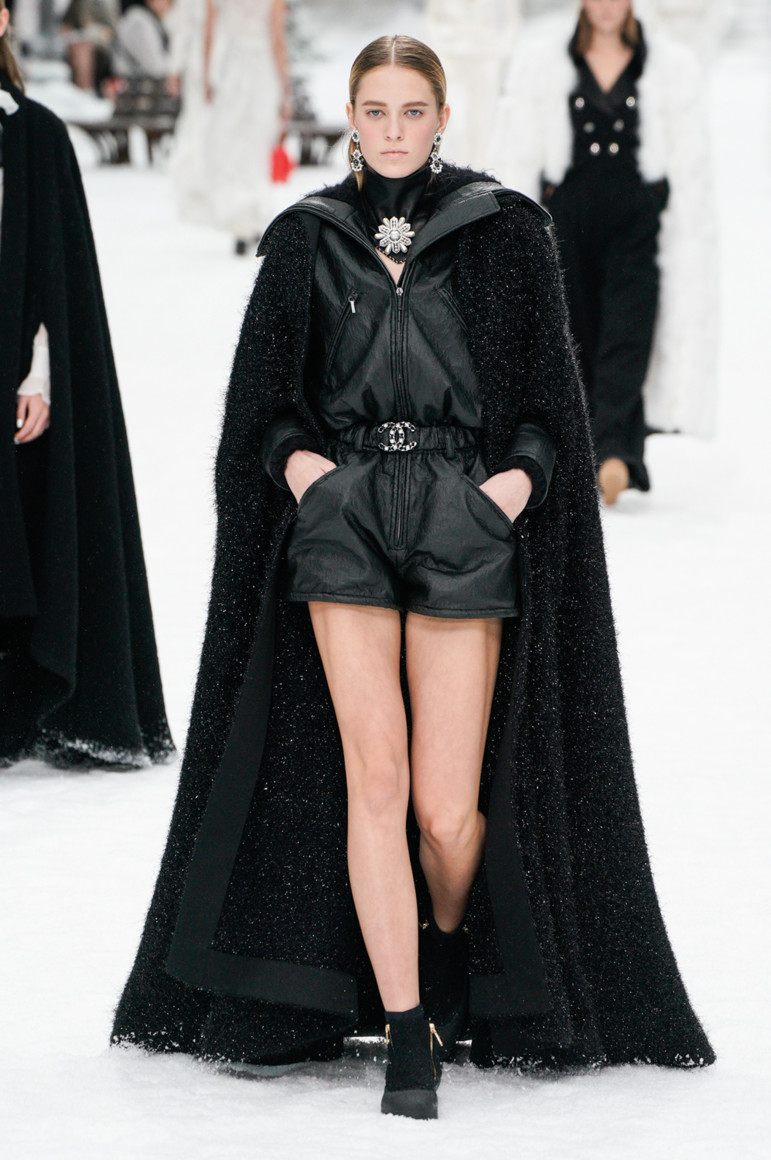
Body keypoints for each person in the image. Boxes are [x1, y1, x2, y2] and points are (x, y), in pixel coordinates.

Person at [111, 35, 714, 1119]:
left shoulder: (503, 230)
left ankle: (443, 959)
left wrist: (512, 489)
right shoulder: (306, 238)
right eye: (375, 110)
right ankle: (404, 1033)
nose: (393, 130)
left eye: (412, 110)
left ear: (441, 118)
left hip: (460, 520)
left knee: (444, 810)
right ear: (351, 118)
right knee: (375, 781)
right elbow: (262, 404)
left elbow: (548, 401)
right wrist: (305, 471)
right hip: (342, 524)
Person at [0, 2, 174, 768]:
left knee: (25, 530)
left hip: (13, 368)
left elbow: (53, 273)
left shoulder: (35, 135)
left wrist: (39, 373)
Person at [493, 0, 717, 504]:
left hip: (636, 215)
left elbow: (687, 158)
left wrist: (669, 208)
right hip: (569, 214)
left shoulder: (664, 64)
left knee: (630, 327)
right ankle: (586, 452)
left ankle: (615, 451)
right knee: (579, 330)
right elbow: (522, 145)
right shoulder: (550, 59)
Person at [201, 0, 290, 254]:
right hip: (262, 69)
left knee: (234, 150)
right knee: (258, 149)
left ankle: (241, 224)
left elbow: (209, 33)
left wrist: (207, 76)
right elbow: (277, 38)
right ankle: (255, 219)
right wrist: (285, 91)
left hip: (231, 68)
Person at [112, 0, 174, 80]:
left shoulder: (147, 18)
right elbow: (155, 67)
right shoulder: (138, 20)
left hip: (145, 82)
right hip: (136, 84)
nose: (170, 3)